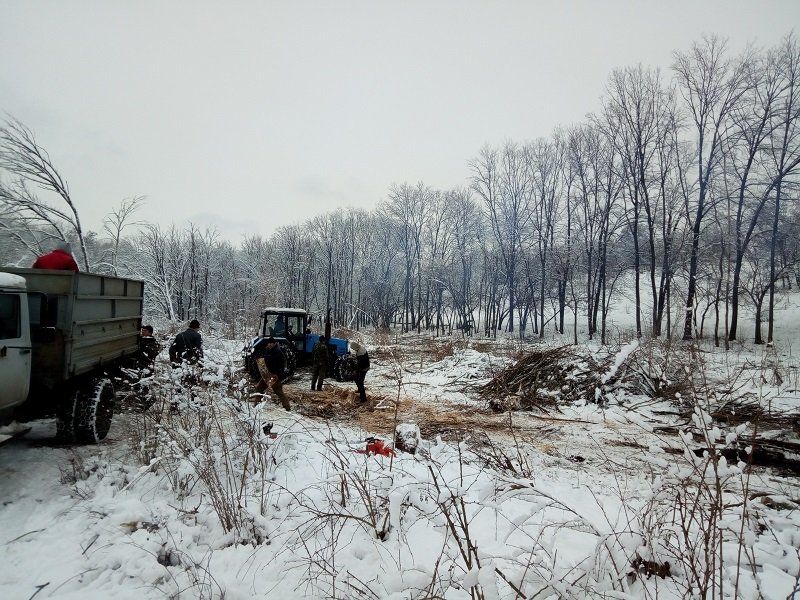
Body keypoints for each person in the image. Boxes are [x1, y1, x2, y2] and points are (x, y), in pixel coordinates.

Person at [254, 337, 290, 410]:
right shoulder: (268, 351)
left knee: (278, 391)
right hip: (267, 374)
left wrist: (277, 375)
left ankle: (287, 407)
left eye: (270, 343)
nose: (269, 344)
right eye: (268, 343)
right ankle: (257, 405)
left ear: (274, 343)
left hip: (274, 376)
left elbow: (281, 366)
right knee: (259, 388)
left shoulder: (278, 353)